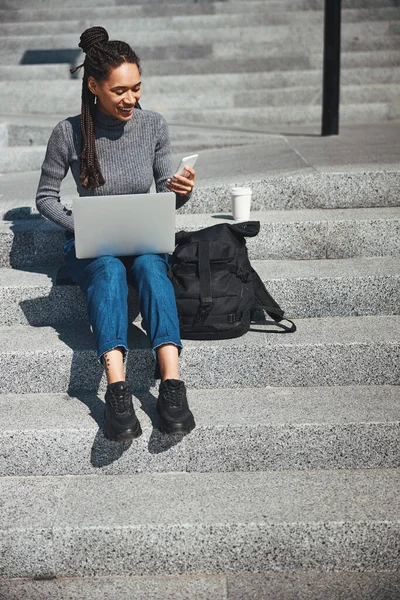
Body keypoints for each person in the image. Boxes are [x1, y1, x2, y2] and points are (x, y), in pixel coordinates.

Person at [35, 26, 196, 442]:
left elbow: (165, 195)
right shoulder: (67, 132)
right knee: (107, 269)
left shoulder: (152, 125)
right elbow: (46, 198)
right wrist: (85, 226)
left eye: (137, 88)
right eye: (120, 90)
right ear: (93, 85)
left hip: (142, 237)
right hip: (93, 245)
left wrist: (180, 192)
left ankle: (173, 386)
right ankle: (118, 389)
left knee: (150, 266)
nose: (131, 99)